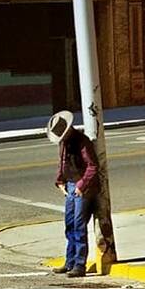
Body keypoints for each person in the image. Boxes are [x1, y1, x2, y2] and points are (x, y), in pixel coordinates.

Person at [46, 110, 99, 278]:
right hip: (69, 185)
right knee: (69, 225)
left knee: (78, 225)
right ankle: (70, 262)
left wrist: (81, 186)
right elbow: (62, 163)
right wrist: (59, 180)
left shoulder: (82, 142)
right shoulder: (64, 143)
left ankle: (79, 264)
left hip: (82, 188)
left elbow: (92, 166)